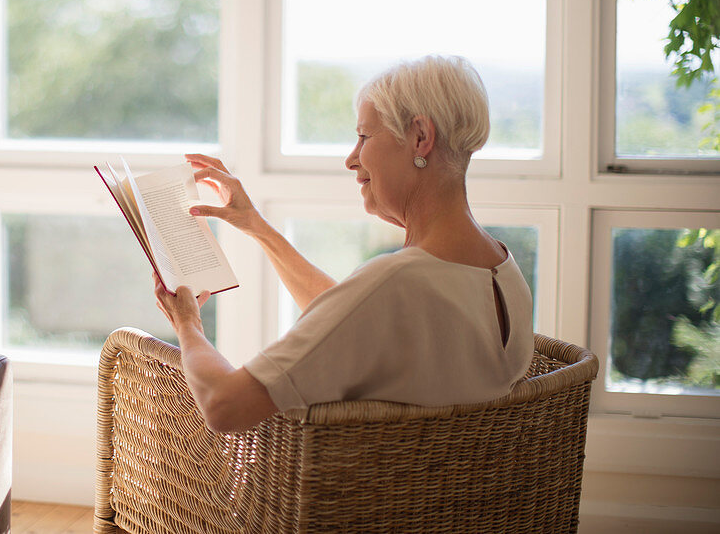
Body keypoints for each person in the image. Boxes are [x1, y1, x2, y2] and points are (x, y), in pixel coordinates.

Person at [154, 55, 534, 433]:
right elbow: (354, 316)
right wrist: (257, 226)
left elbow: (223, 405)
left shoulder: (398, 279)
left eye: (364, 137)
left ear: (420, 137)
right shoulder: (503, 271)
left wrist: (188, 324)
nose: (351, 160)